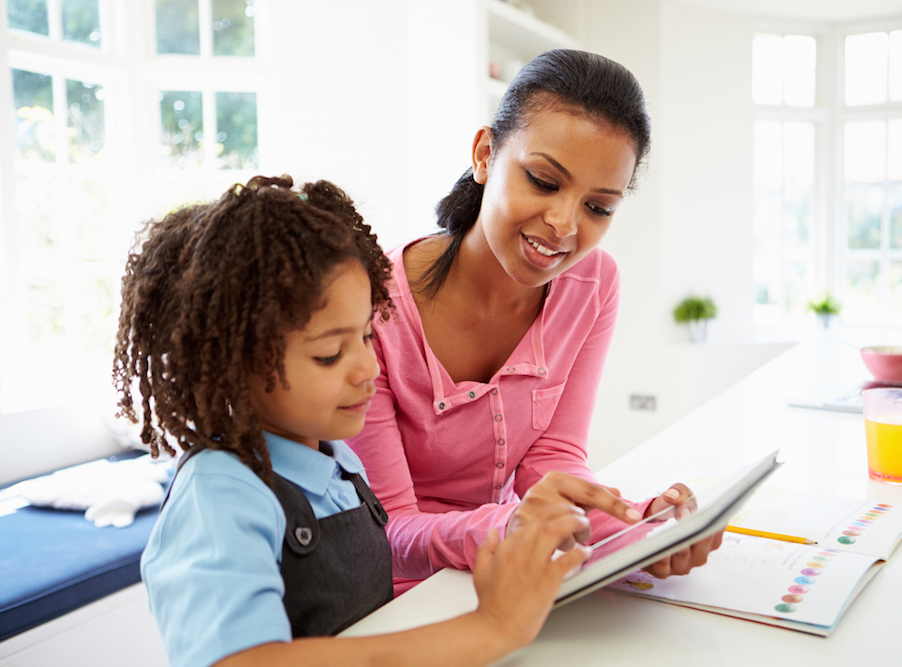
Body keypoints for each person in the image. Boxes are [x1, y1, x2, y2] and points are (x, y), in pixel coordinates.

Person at [113, 175, 627, 667]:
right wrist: (487, 629)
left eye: (363, 337)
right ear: (228, 364)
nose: (369, 366)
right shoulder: (219, 494)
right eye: (330, 355)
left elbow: (371, 591)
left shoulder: (335, 463)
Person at [346, 49, 723, 595]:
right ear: (484, 155)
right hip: (394, 595)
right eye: (544, 181)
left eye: (599, 207)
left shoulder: (593, 285)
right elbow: (390, 531)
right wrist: (514, 527)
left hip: (504, 571)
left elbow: (552, 457)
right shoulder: (368, 300)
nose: (564, 224)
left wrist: (635, 526)